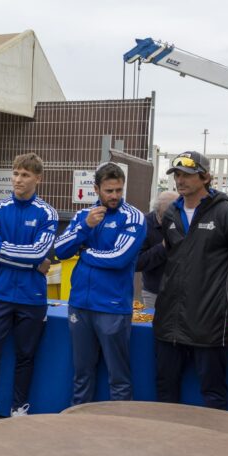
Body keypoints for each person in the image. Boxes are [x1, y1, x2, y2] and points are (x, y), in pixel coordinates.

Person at [154, 152, 228, 410]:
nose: (181, 180)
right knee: (165, 389)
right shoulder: (171, 214)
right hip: (170, 322)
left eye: (188, 174)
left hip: (209, 325)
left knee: (212, 393)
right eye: (177, 174)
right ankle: (166, 444)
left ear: (206, 177)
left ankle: (215, 448)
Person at [0, 153, 58, 428]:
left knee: (25, 354)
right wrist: (30, 261)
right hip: (0, 293)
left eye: (25, 175)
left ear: (38, 179)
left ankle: (19, 407)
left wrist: (5, 249)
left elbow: (39, 252)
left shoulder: (47, 213)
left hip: (32, 297)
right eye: (16, 174)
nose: (18, 180)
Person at [54, 162, 146, 405]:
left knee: (119, 378)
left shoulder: (133, 217)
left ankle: (119, 430)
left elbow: (120, 258)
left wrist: (85, 253)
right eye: (109, 191)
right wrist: (86, 227)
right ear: (96, 188)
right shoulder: (83, 216)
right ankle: (79, 428)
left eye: (118, 190)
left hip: (113, 307)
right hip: (80, 305)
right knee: (82, 374)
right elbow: (60, 250)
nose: (115, 196)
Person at [136, 191, 179, 309]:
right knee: (153, 326)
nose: (171, 220)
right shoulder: (144, 224)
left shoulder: (185, 221)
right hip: (154, 292)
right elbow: (138, 262)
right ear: (157, 211)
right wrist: (163, 247)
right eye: (165, 216)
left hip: (183, 292)